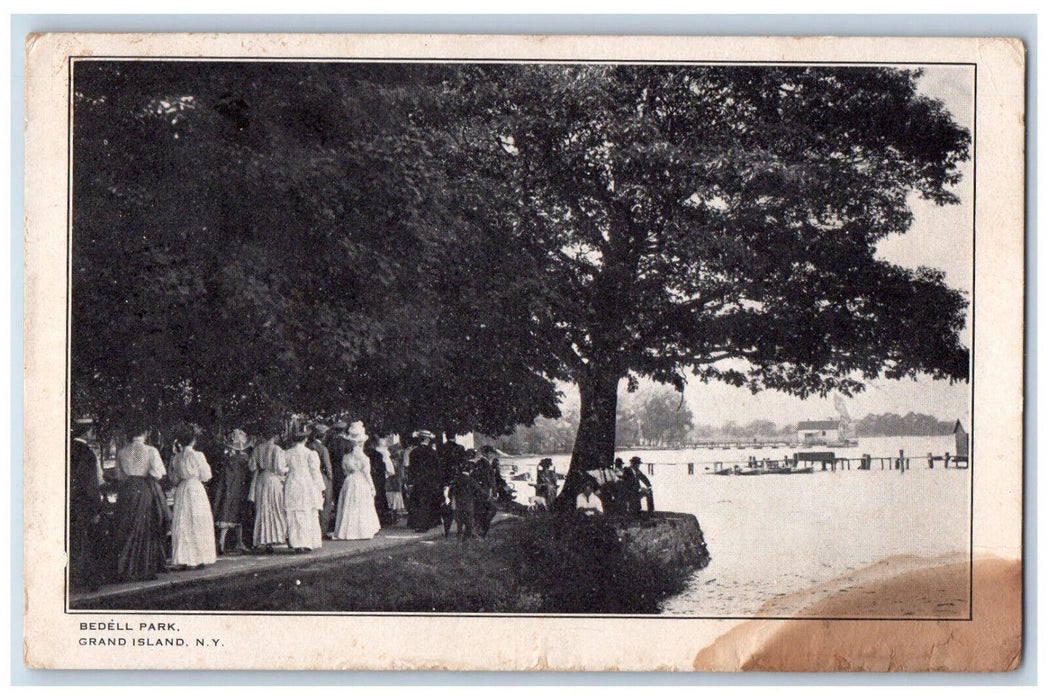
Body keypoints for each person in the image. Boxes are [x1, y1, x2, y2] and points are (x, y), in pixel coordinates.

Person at [112, 423, 169, 582]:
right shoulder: (151, 451)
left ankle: (124, 568)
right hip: (144, 488)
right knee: (145, 527)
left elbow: (119, 475)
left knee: (127, 526)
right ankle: (142, 568)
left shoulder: (122, 452)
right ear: (145, 432)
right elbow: (158, 473)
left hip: (127, 490)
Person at [168, 424, 217, 570]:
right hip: (195, 488)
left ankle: (183, 558)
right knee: (197, 520)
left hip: (182, 489)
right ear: (193, 440)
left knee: (183, 521)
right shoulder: (198, 456)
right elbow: (207, 475)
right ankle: (198, 557)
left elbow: (174, 478)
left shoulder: (176, 458)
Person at [69, 418, 105, 591]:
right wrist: (96, 507)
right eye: (92, 430)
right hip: (84, 504)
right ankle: (86, 581)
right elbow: (92, 484)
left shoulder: (67, 449)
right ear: (87, 432)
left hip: (70, 503)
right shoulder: (87, 453)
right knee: (86, 541)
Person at [333, 421, 381, 540]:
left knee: (349, 505)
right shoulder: (364, 458)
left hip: (349, 481)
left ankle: (347, 531)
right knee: (361, 505)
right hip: (361, 480)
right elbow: (366, 473)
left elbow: (345, 471)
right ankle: (361, 531)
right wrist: (372, 486)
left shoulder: (346, 457)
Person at [284, 427, 325, 552]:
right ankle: (306, 542)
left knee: (294, 512)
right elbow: (315, 473)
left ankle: (296, 542)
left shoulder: (287, 453)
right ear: (306, 439)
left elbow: (282, 469)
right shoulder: (310, 454)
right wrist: (320, 488)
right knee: (306, 511)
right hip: (306, 483)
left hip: (292, 482)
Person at [211, 428, 252, 555]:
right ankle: (232, 542)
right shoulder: (242, 458)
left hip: (227, 486)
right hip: (237, 486)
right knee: (236, 512)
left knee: (228, 511)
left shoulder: (227, 457)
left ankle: (224, 542)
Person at [249, 426, 288, 553]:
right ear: (274, 437)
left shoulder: (257, 449)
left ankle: (262, 539)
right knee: (274, 507)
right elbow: (279, 468)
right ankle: (273, 538)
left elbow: (252, 466)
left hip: (261, 479)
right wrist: (287, 469)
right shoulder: (276, 449)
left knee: (262, 508)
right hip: (272, 479)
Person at [406, 430, 441, 532]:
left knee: (418, 502)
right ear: (427, 439)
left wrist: (410, 482)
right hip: (430, 481)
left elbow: (411, 469)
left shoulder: (413, 452)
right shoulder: (433, 452)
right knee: (429, 502)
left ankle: (418, 523)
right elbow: (438, 468)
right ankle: (429, 523)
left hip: (418, 481)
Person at [307, 424, 335, 537]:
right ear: (323, 436)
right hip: (321, 476)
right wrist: (330, 478)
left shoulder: (308, 446)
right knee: (325, 504)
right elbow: (328, 467)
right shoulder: (323, 449)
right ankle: (322, 531)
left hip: (307, 476)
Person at [365, 437, 390, 523]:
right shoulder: (378, 454)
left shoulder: (365, 454)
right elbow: (383, 467)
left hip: (370, 477)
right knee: (379, 497)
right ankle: (381, 517)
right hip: (378, 478)